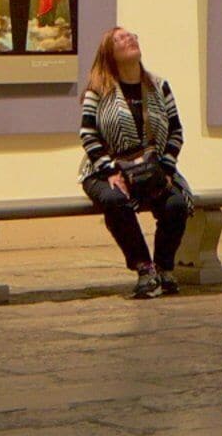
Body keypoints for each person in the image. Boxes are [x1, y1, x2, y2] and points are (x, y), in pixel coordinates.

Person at [79, 26, 193, 299]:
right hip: (105, 169)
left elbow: (176, 130)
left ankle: (165, 267)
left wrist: (166, 169)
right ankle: (144, 268)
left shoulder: (158, 85)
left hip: (153, 167)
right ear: (110, 52)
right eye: (120, 38)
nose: (129, 39)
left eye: (131, 36)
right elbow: (88, 133)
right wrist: (110, 170)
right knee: (115, 200)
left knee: (176, 203)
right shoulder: (98, 88)